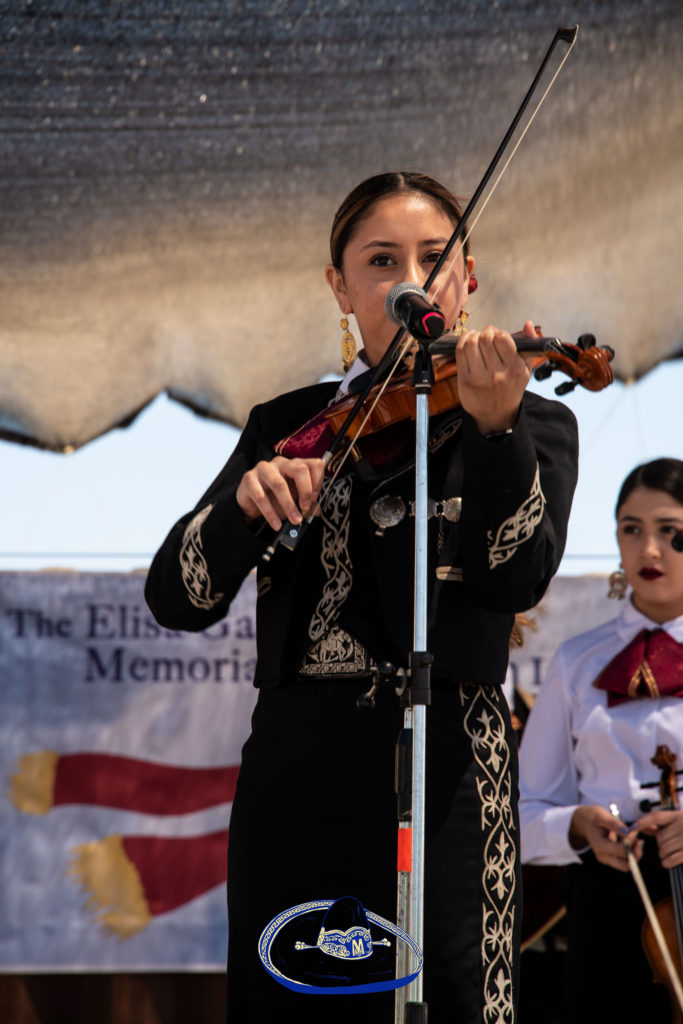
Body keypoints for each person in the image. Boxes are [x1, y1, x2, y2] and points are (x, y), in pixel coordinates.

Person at [145, 170, 578, 1023]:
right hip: (298, 767)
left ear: (468, 280)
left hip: (449, 758)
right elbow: (179, 596)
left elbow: (516, 575)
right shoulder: (289, 424)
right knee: (292, 999)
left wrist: (494, 433)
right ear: (340, 287)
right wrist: (242, 508)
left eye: (433, 257)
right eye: (381, 260)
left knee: (453, 994)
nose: (410, 278)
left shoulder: (528, 421)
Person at [519, 457, 683, 1023]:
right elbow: (524, 811)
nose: (650, 551)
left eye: (671, 532)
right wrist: (578, 825)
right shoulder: (576, 661)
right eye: (632, 530)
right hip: (605, 906)